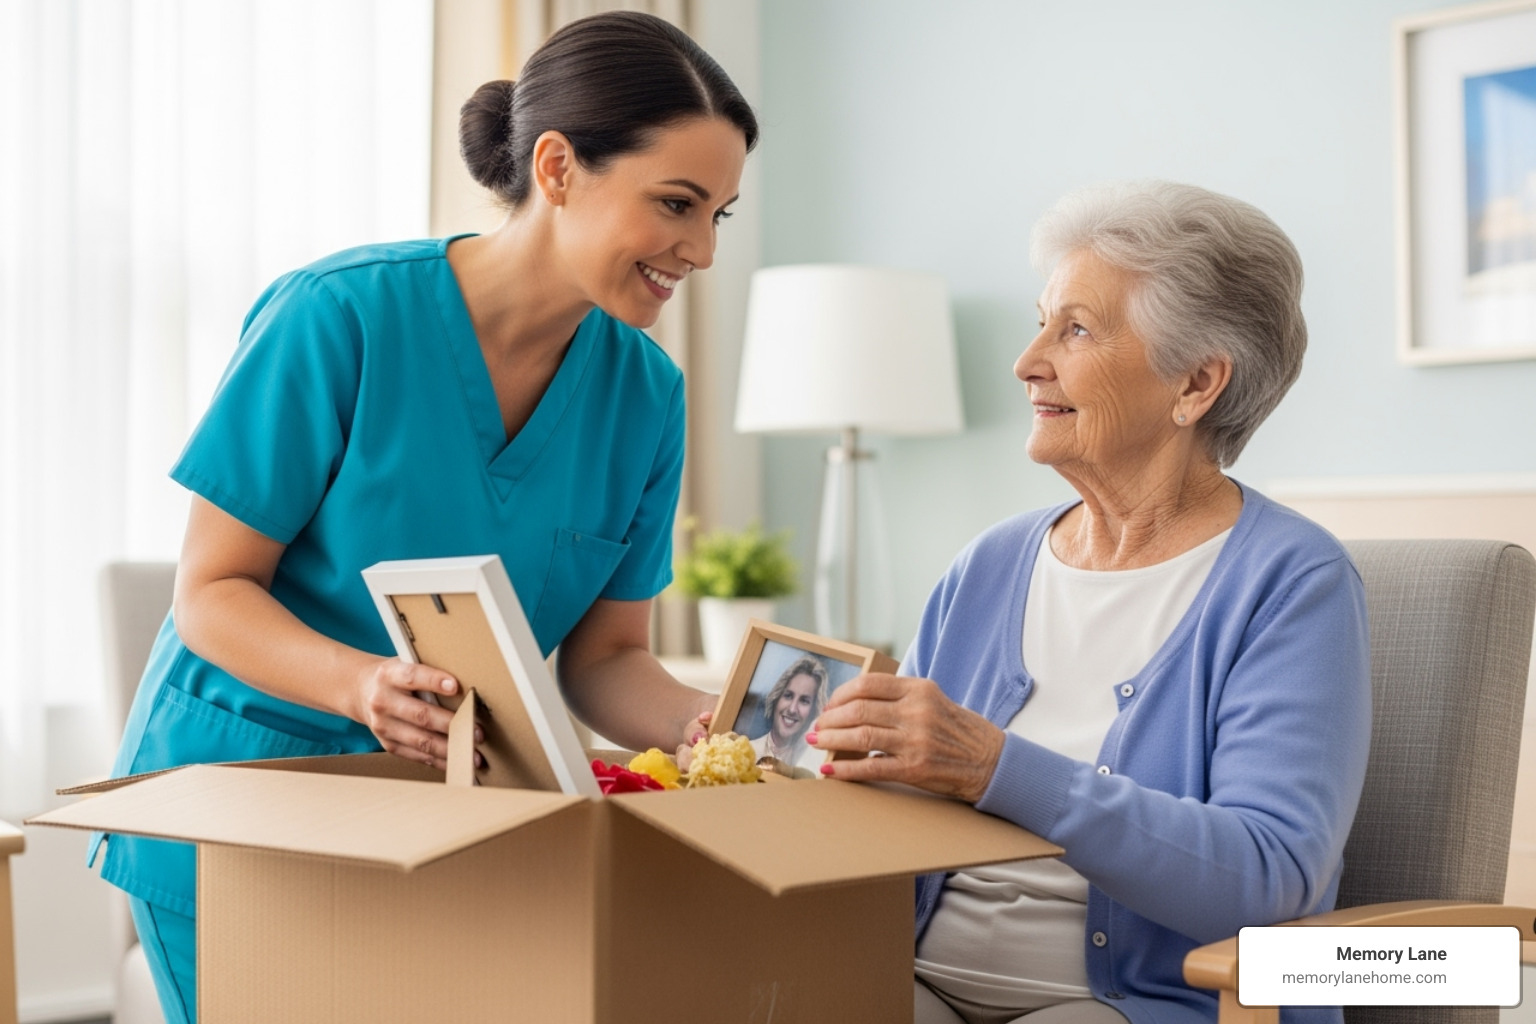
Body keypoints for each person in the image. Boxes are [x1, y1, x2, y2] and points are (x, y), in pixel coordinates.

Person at [95, 12, 756, 1024]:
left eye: (721, 215)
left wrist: (708, 725)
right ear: (557, 166)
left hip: (447, 825)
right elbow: (211, 594)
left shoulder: (647, 394)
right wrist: (365, 684)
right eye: (677, 203)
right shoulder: (339, 316)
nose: (702, 249)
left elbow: (604, 657)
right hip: (243, 801)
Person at [808, 182, 1371, 1024]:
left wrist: (997, 767)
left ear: (1196, 384)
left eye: (1075, 329)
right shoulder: (989, 564)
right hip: (918, 978)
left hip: (1140, 1005)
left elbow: (1267, 875)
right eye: (1042, 321)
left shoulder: (1293, 585)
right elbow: (898, 808)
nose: (1027, 360)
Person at [748, 654, 829, 769]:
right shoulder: (749, 750)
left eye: (804, 701)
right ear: (776, 697)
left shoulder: (813, 765)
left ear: (813, 711)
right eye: (788, 696)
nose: (792, 709)